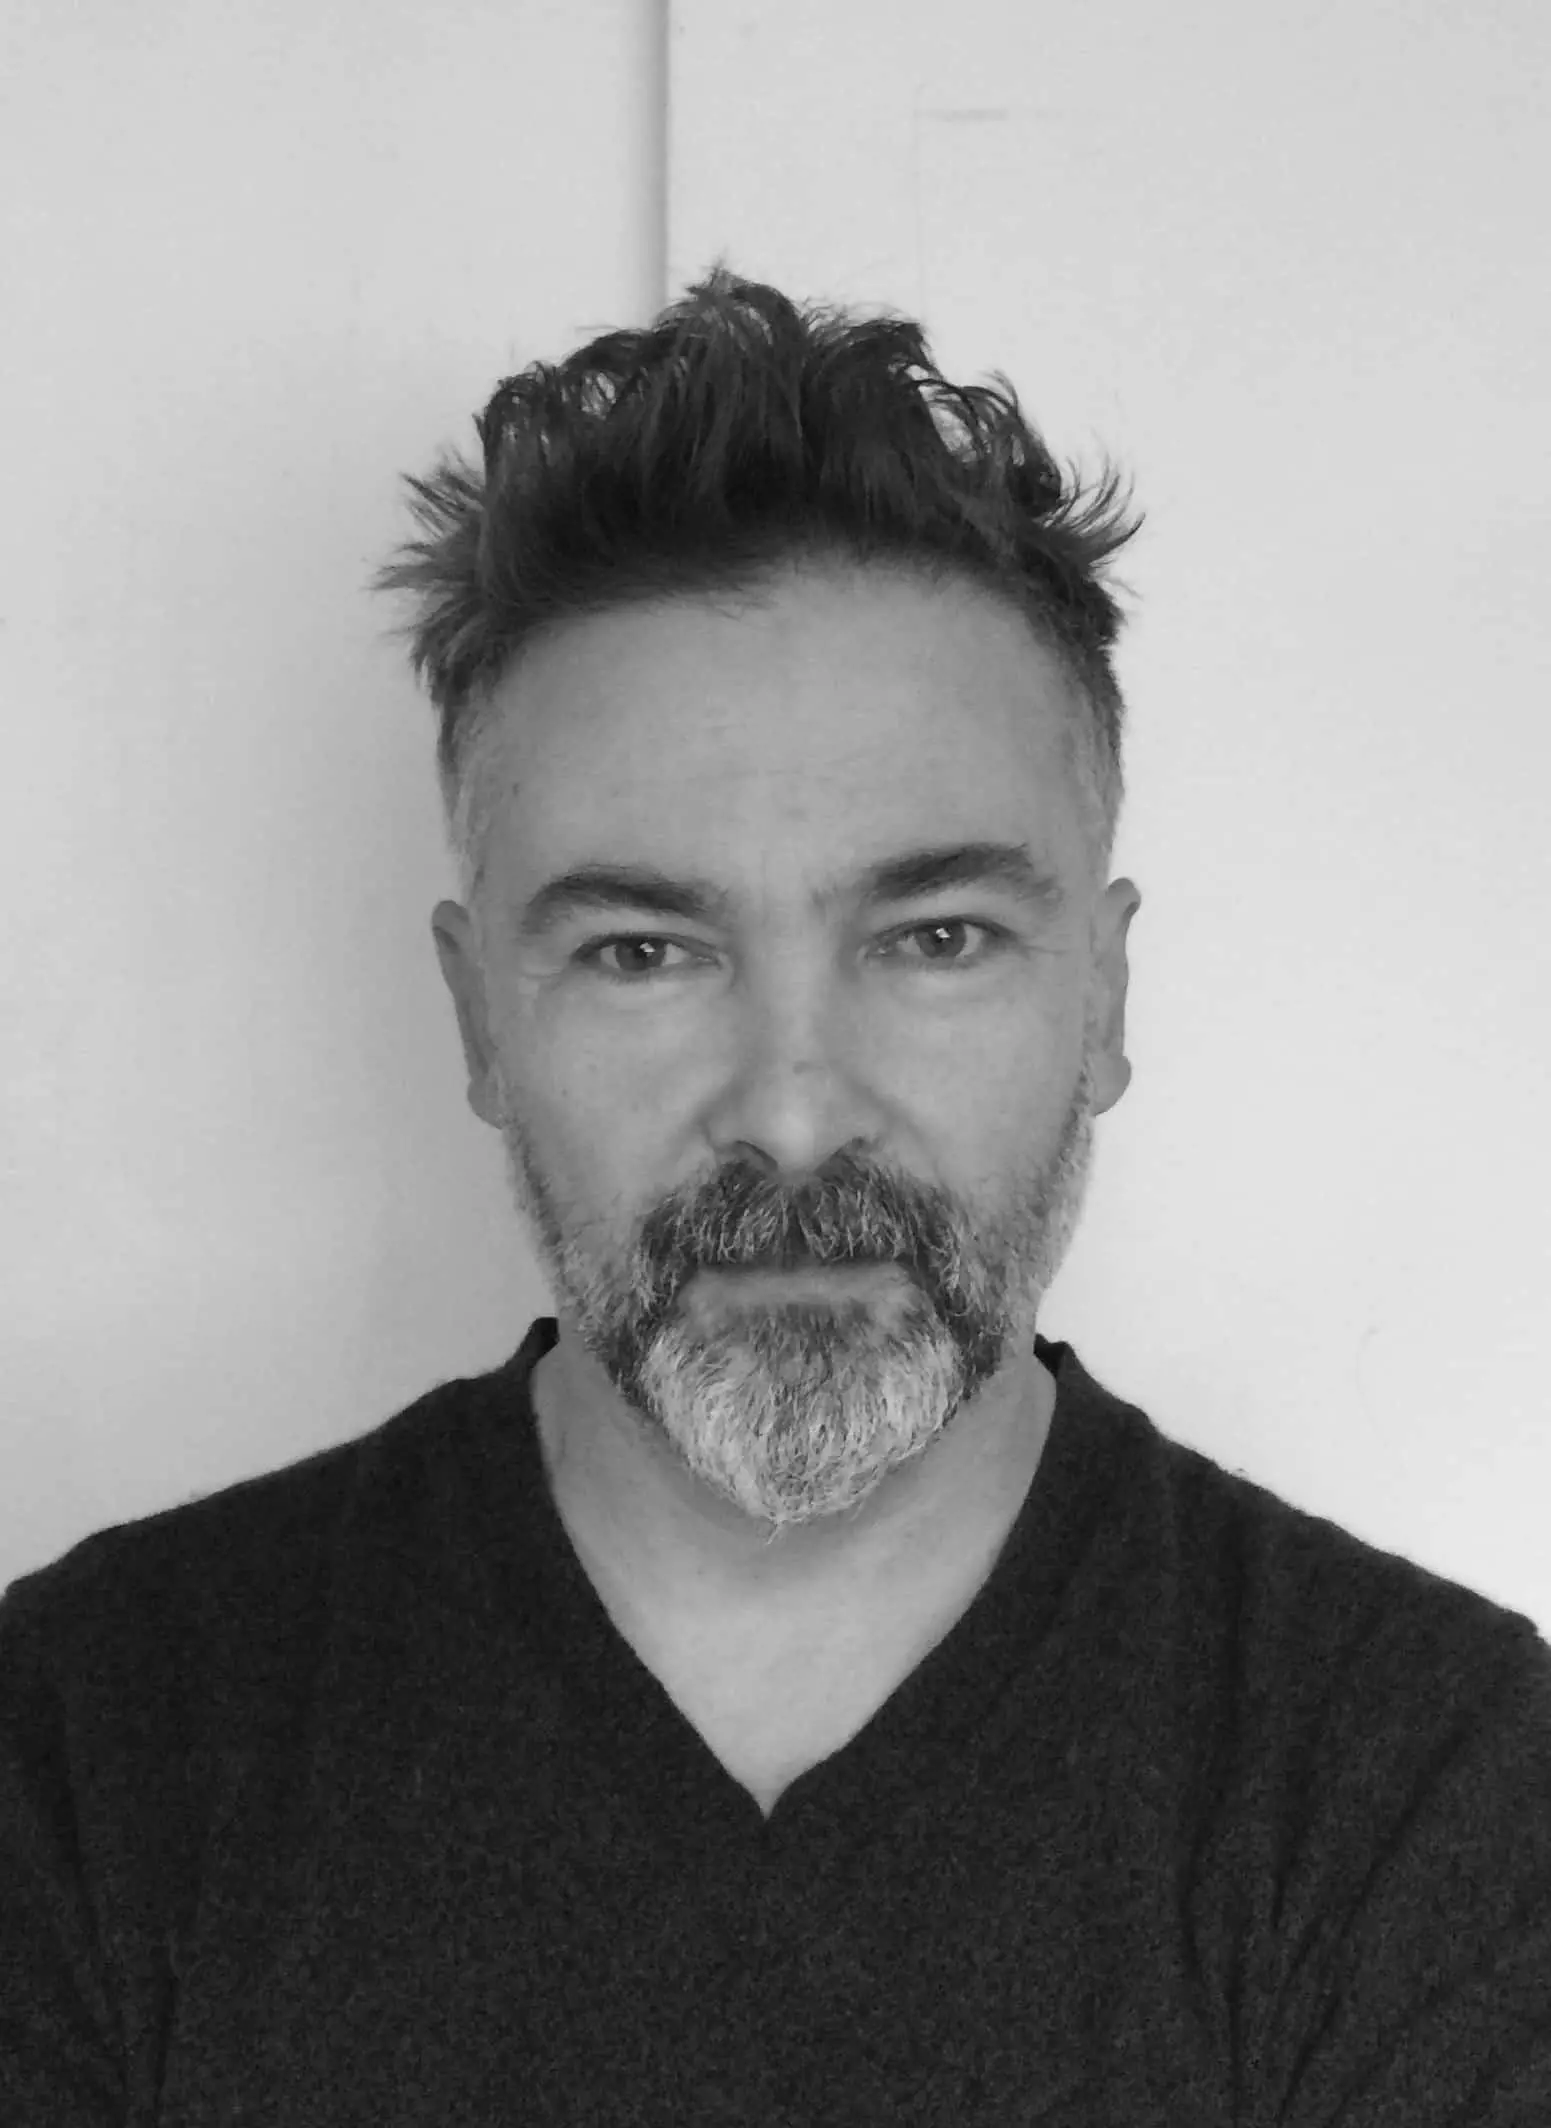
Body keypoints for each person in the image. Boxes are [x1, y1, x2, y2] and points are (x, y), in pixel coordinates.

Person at [2, 265, 1547, 2126]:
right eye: (645, 951)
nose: (792, 1116)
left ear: (1104, 1003)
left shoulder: (1439, 1785)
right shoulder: (84, 1746)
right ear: (479, 1020)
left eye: (936, 937)